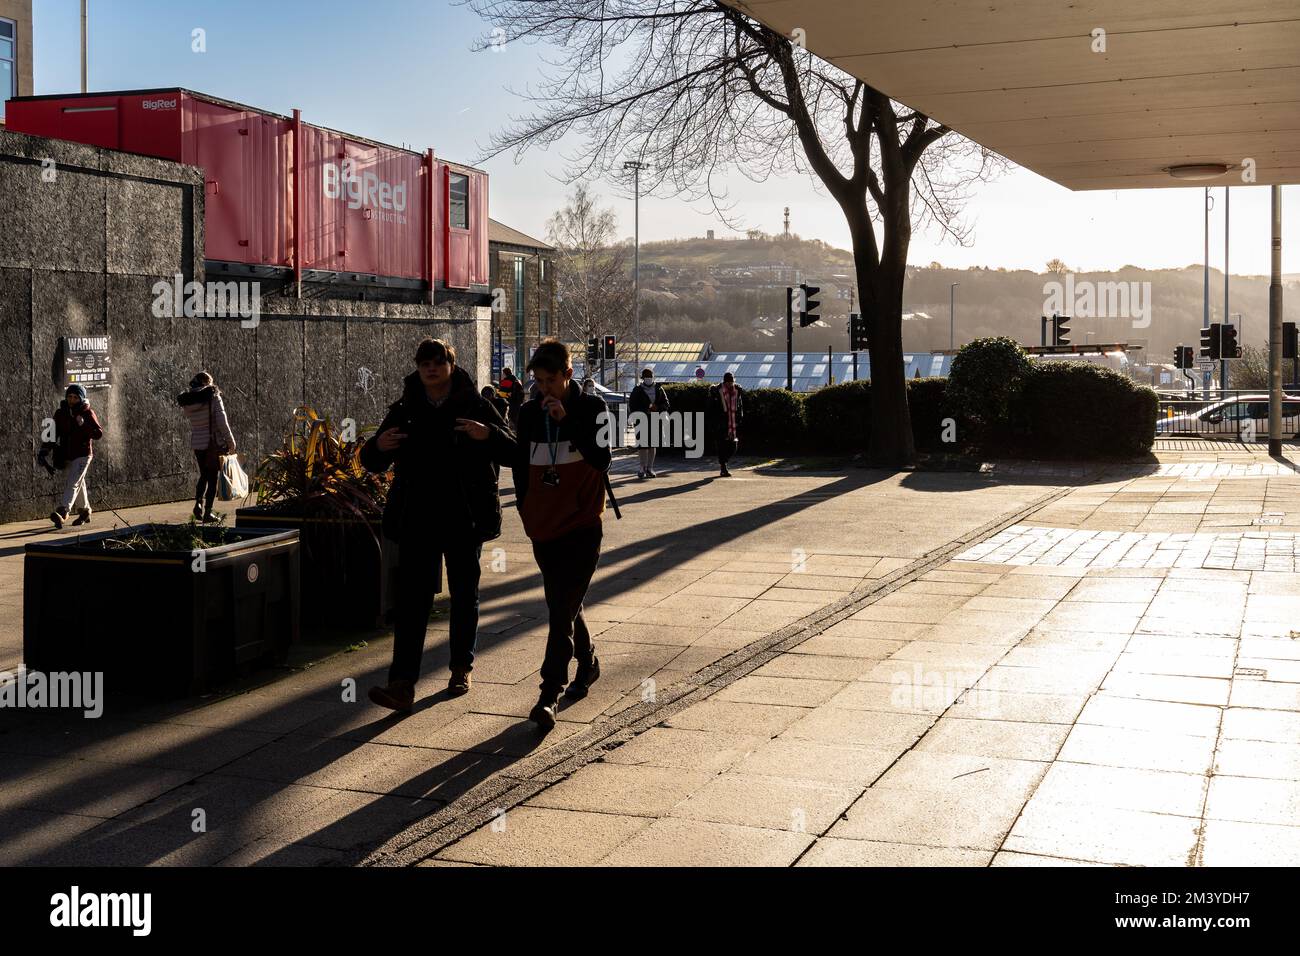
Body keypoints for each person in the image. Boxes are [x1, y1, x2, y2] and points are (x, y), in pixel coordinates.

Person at [361, 338, 516, 710]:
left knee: (465, 593)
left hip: (464, 516)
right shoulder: (406, 408)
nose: (430, 368)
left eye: (437, 362)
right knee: (412, 600)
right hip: (418, 518)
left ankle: (461, 665)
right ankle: (402, 683)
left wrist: (488, 434)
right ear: (417, 367)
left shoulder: (476, 404)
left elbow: (513, 449)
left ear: (450, 364)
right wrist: (378, 446)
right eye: (423, 362)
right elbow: (372, 460)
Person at [512, 339, 611, 730]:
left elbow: (602, 458)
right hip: (543, 525)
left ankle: (549, 691)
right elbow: (520, 463)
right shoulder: (528, 413)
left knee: (559, 611)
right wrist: (524, 507)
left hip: (584, 523)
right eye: (537, 381)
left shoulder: (592, 408)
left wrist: (566, 419)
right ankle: (587, 662)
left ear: (568, 375)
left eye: (550, 380)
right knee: (564, 602)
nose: (543, 389)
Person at [178, 372, 237, 522]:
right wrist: (231, 442)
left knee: (203, 474)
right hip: (213, 444)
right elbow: (222, 422)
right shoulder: (213, 397)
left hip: (197, 444)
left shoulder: (188, 401)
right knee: (212, 478)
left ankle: (198, 503)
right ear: (207, 383)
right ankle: (208, 513)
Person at [49, 384, 104, 529]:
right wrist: (46, 450)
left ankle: (63, 512)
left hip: (83, 454)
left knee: (73, 482)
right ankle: (85, 512)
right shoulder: (61, 413)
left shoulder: (87, 412)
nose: (72, 400)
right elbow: (53, 433)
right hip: (68, 454)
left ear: (81, 398)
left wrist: (83, 424)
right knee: (79, 483)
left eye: (75, 397)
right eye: (70, 397)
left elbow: (98, 433)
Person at [628, 368, 670, 479]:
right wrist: (645, 410)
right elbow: (632, 405)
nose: (648, 378)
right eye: (646, 376)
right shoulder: (637, 390)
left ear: (653, 377)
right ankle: (642, 467)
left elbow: (666, 403)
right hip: (641, 419)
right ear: (643, 378)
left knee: (652, 444)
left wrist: (658, 408)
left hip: (655, 419)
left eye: (650, 376)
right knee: (643, 444)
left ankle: (650, 468)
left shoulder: (659, 388)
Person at [708, 371, 745, 478]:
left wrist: (739, 418)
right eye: (728, 382)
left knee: (733, 446)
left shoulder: (737, 391)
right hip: (721, 423)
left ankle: (724, 462)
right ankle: (723, 467)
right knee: (721, 446)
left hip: (732, 423)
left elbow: (740, 406)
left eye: (731, 382)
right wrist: (714, 423)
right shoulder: (717, 391)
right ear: (724, 382)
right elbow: (711, 408)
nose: (730, 384)